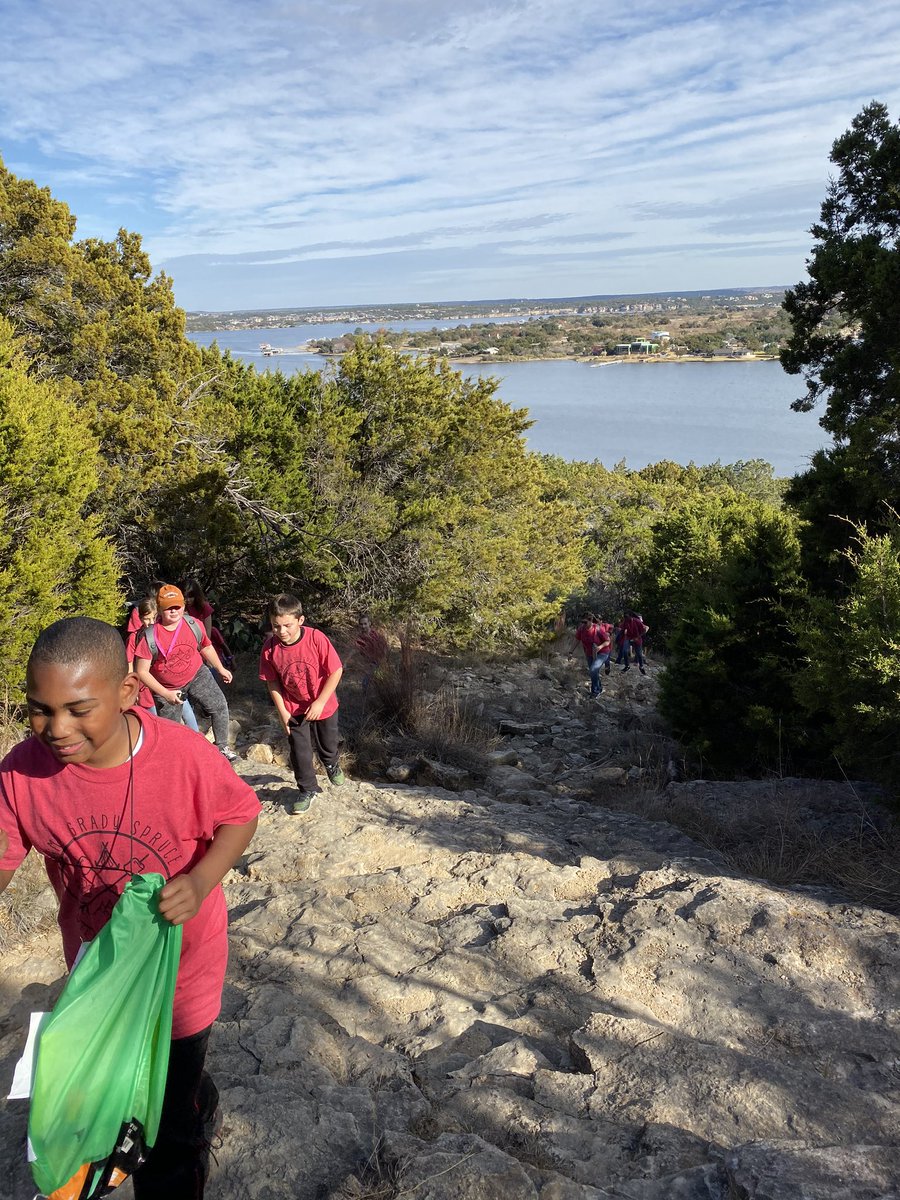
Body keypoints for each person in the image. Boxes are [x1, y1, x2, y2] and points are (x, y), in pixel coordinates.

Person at [0, 617, 261, 1198]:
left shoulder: (184, 757)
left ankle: (190, 1115)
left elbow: (241, 814)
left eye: (78, 708)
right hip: (97, 972)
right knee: (113, 1103)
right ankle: (192, 1092)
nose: (56, 728)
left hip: (180, 976)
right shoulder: (22, 773)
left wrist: (201, 880)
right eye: (39, 709)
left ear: (126, 693)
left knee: (170, 1135)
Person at [259, 593, 344, 816]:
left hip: (322, 703)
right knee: (300, 751)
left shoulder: (316, 638)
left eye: (287, 625)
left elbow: (336, 670)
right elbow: (272, 682)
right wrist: (282, 712)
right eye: (276, 626)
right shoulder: (270, 648)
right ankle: (307, 789)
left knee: (328, 742)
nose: (282, 631)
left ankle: (331, 763)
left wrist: (320, 701)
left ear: (300, 620)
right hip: (293, 707)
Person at [134, 584, 239, 762]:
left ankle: (222, 748)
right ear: (159, 609)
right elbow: (141, 671)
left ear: (183, 606)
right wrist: (165, 693)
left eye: (178, 606)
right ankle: (178, 761)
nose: (174, 611)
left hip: (197, 674)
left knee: (219, 705)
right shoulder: (150, 636)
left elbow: (206, 646)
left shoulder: (193, 624)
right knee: (171, 730)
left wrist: (220, 668)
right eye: (169, 608)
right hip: (167, 687)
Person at [571, 614, 609, 697]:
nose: (583, 624)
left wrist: (599, 647)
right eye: (582, 622)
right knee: (594, 672)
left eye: (585, 622)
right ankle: (599, 688)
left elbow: (607, 641)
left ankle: (595, 692)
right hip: (590, 653)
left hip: (602, 652)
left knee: (593, 670)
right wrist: (571, 652)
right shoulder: (581, 629)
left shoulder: (598, 629)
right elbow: (577, 640)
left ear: (591, 621)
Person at [353, 612, 388, 693]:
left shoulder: (376, 635)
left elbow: (384, 647)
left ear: (369, 623)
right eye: (361, 624)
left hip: (380, 661)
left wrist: (383, 660)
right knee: (366, 683)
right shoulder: (360, 638)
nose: (363, 626)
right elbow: (355, 649)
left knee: (380, 683)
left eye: (365, 624)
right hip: (370, 663)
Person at [621, 610, 649, 675]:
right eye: (625, 617)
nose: (626, 618)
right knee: (624, 651)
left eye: (627, 617)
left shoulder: (637, 621)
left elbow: (644, 630)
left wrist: (637, 637)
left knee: (639, 654)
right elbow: (623, 629)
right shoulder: (625, 621)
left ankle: (641, 666)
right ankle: (627, 666)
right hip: (628, 637)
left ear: (631, 616)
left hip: (637, 638)